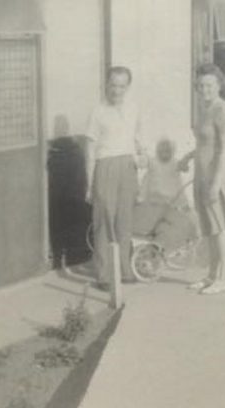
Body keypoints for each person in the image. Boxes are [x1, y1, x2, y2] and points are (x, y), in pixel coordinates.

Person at [179, 63, 225, 295]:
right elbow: (204, 143)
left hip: (217, 176)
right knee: (209, 227)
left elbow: (224, 150)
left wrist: (216, 182)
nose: (204, 89)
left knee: (220, 229)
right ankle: (211, 275)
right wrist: (187, 158)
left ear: (219, 85)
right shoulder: (205, 109)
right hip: (202, 173)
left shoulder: (222, 111)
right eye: (200, 85)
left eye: (209, 85)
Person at [85, 66, 141, 290]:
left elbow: (137, 139)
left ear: (127, 87)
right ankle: (104, 275)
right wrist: (88, 184)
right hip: (105, 166)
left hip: (127, 165)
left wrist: (140, 164)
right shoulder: (98, 111)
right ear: (107, 84)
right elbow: (89, 150)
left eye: (122, 86)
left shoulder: (134, 108)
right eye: (113, 85)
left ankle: (125, 270)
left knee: (125, 219)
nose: (117, 90)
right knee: (104, 219)